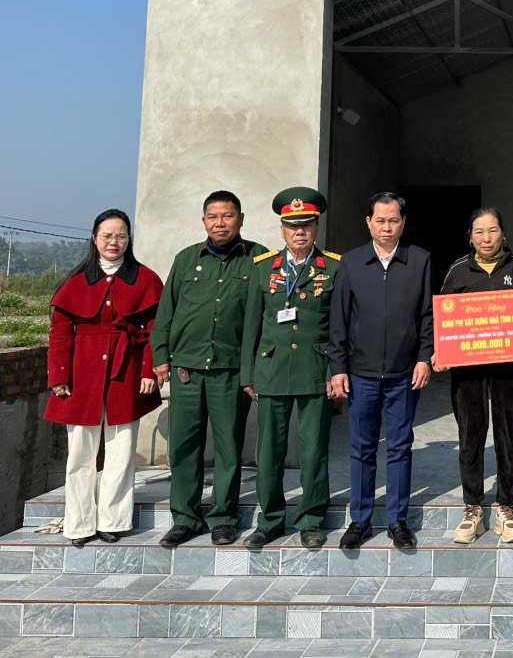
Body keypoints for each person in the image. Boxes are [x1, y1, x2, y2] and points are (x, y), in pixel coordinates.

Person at [151, 191, 266, 548]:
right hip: (187, 370)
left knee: (229, 447)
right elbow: (166, 312)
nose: (220, 223)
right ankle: (185, 518)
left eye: (228, 216)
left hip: (230, 370)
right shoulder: (186, 260)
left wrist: (253, 371)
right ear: (203, 221)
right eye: (213, 217)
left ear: (241, 219)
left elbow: (262, 320)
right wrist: (160, 356)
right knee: (184, 447)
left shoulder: (259, 260)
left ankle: (224, 518)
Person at [46, 208, 163, 547]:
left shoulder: (146, 279)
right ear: (94, 238)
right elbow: (60, 333)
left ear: (130, 240)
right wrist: (59, 376)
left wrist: (148, 370)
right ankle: (79, 522)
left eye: (121, 236)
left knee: (121, 449)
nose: (114, 242)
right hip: (81, 372)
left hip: (126, 369)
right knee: (80, 451)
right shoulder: (75, 281)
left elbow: (156, 330)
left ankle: (113, 519)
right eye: (107, 235)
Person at [329, 192, 434, 551]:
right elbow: (339, 319)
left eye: (394, 220)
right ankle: (359, 520)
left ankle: (397, 520)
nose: (387, 227)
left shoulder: (419, 260)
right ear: (369, 223)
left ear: (403, 223)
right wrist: (338, 367)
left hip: (405, 373)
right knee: (362, 447)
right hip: (360, 373)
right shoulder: (352, 262)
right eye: (380, 221)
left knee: (401, 446)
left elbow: (426, 315)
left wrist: (425, 357)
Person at [435, 208, 513, 544]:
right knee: (470, 434)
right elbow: (440, 314)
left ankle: (507, 507)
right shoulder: (458, 271)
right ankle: (473, 508)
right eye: (479, 232)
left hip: (509, 367)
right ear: (470, 236)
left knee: (509, 434)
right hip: (467, 370)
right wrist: (440, 350)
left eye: (493, 230)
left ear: (504, 234)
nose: (486, 238)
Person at [240, 187, 341, 549]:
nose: (300, 232)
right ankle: (269, 520)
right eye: (293, 226)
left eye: (307, 225)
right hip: (271, 368)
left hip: (316, 368)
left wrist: (336, 372)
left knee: (314, 449)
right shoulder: (263, 267)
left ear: (316, 228)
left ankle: (312, 518)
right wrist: (248, 374)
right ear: (282, 229)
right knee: (269, 451)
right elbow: (251, 324)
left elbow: (340, 325)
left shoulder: (334, 267)